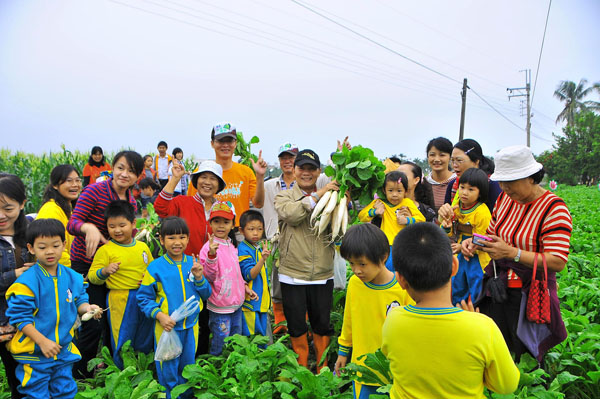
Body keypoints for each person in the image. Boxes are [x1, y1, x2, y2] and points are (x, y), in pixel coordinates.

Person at [381, 223, 520, 398]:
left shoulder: (393, 321)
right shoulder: (483, 328)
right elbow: (507, 385)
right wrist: (473, 322)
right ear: (455, 266)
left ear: (400, 279)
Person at [462, 145, 573, 361]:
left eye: (510, 182)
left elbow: (557, 261)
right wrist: (475, 243)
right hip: (499, 283)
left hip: (531, 292)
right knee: (496, 344)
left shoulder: (554, 209)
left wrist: (514, 253)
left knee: (527, 351)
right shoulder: (505, 200)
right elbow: (492, 232)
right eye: (501, 182)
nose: (504, 187)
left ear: (531, 177)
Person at [5, 219, 103, 399]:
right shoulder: (27, 283)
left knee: (65, 390)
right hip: (34, 354)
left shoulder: (72, 276)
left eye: (55, 245)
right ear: (31, 248)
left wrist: (88, 308)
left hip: (63, 350)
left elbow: (79, 299)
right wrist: (42, 342)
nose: (50, 251)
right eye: (42, 247)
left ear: (64, 245)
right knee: (36, 393)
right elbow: (19, 318)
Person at [67, 150, 144, 378]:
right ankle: (81, 370)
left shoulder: (130, 200)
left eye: (131, 171)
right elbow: (73, 223)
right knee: (92, 319)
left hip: (113, 269)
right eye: (120, 167)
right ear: (113, 168)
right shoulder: (95, 190)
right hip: (85, 263)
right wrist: (88, 227)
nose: (124, 174)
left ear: (137, 176)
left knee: (111, 318)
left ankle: (111, 365)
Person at [274, 149, 339, 372]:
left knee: (322, 325)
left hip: (322, 273)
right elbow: (292, 215)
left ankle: (323, 369)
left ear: (319, 171)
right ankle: (300, 369)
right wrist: (319, 195)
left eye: (312, 169)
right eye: (302, 168)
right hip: (293, 274)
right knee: (296, 326)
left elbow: (338, 232)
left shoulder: (332, 196)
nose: (307, 173)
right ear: (295, 169)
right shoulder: (284, 196)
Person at [155, 160, 226, 355]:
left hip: (214, 271)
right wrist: (175, 179)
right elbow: (160, 208)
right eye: (203, 177)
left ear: (219, 185)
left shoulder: (223, 208)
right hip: (185, 269)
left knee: (208, 318)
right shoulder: (182, 202)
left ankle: (201, 359)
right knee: (187, 313)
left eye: (213, 179)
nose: (207, 182)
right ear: (195, 180)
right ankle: (180, 356)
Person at [137, 217, 212, 399]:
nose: (177, 242)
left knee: (187, 365)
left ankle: (186, 395)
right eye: (171, 238)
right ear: (161, 240)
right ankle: (169, 394)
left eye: (181, 237)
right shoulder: (155, 267)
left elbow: (206, 294)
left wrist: (200, 278)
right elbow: (143, 298)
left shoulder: (192, 263)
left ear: (187, 239)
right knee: (168, 365)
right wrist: (160, 315)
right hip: (166, 327)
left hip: (191, 326)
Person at [335, 224, 413, 399]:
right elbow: (349, 319)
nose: (356, 270)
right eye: (351, 264)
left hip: (394, 371)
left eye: (362, 264)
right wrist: (343, 352)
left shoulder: (402, 288)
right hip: (362, 371)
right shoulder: (355, 284)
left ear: (384, 257)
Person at [87, 201, 154, 369]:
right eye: (112, 226)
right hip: (120, 299)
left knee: (145, 333)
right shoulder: (106, 250)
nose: (117, 230)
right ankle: (121, 371)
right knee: (122, 335)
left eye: (122, 225)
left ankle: (143, 369)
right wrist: (105, 271)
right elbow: (92, 276)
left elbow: (153, 270)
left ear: (133, 223)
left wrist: (148, 279)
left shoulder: (143, 247)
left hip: (144, 297)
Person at [187, 123, 267, 230]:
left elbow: (258, 203)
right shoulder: (201, 173)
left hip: (238, 231)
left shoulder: (246, 172)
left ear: (235, 143)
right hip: (210, 230)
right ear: (212, 143)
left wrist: (260, 176)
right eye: (220, 141)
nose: (225, 145)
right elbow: (191, 207)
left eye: (229, 141)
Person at [199, 202, 251, 355]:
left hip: (236, 303)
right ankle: (218, 370)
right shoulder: (208, 248)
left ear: (232, 225)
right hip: (220, 305)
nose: (221, 226)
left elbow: (236, 273)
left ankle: (233, 367)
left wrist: (244, 286)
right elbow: (208, 276)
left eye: (226, 222)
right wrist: (211, 256)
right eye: (216, 222)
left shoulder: (232, 245)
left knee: (236, 338)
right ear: (210, 223)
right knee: (220, 340)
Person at [0, 173, 34, 399]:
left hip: (33, 322)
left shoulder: (33, 229)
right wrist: (16, 274)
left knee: (30, 379)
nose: (0, 216)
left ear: (22, 204)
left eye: (7, 208)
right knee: (16, 379)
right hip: (3, 324)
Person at [439, 168, 491, 305]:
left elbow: (484, 239)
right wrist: (446, 225)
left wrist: (462, 247)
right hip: (461, 252)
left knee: (476, 287)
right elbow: (447, 232)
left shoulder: (482, 212)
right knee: (457, 285)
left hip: (478, 256)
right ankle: (458, 312)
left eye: (471, 189)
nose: (464, 192)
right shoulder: (456, 207)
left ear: (480, 193)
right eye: (462, 187)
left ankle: (476, 315)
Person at [262, 142, 298, 334]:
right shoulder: (269, 185)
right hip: (277, 237)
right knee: (277, 280)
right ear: (279, 160)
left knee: (300, 279)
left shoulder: (305, 183)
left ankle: (301, 320)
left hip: (300, 238)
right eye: (284, 157)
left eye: (291, 157)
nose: (288, 161)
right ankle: (280, 320)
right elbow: (258, 200)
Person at [358, 170, 425, 272]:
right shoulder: (380, 203)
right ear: (384, 191)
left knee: (403, 269)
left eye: (399, 191)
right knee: (388, 268)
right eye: (390, 190)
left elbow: (422, 220)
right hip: (385, 244)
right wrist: (375, 212)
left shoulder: (407, 203)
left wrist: (407, 220)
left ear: (406, 192)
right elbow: (361, 216)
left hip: (404, 243)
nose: (394, 194)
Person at [440, 139, 501, 218]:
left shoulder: (493, 186)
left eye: (459, 160)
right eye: (452, 160)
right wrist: (443, 213)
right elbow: (444, 220)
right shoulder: (453, 185)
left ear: (476, 162)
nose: (454, 165)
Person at [36, 165, 82, 267]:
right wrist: (76, 272)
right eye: (69, 181)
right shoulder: (51, 210)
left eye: (78, 180)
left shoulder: (69, 208)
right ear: (55, 185)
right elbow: (52, 249)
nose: (75, 185)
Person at [238, 210, 271, 338]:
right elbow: (249, 275)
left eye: (259, 229)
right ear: (241, 231)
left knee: (262, 339)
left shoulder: (257, 247)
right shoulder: (243, 249)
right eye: (251, 229)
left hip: (261, 303)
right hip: (250, 305)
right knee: (252, 340)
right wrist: (262, 260)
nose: (256, 233)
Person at [425, 137, 456, 212]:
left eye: (442, 155)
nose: (436, 159)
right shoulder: (423, 183)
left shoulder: (458, 182)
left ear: (450, 157)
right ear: (428, 157)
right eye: (432, 155)